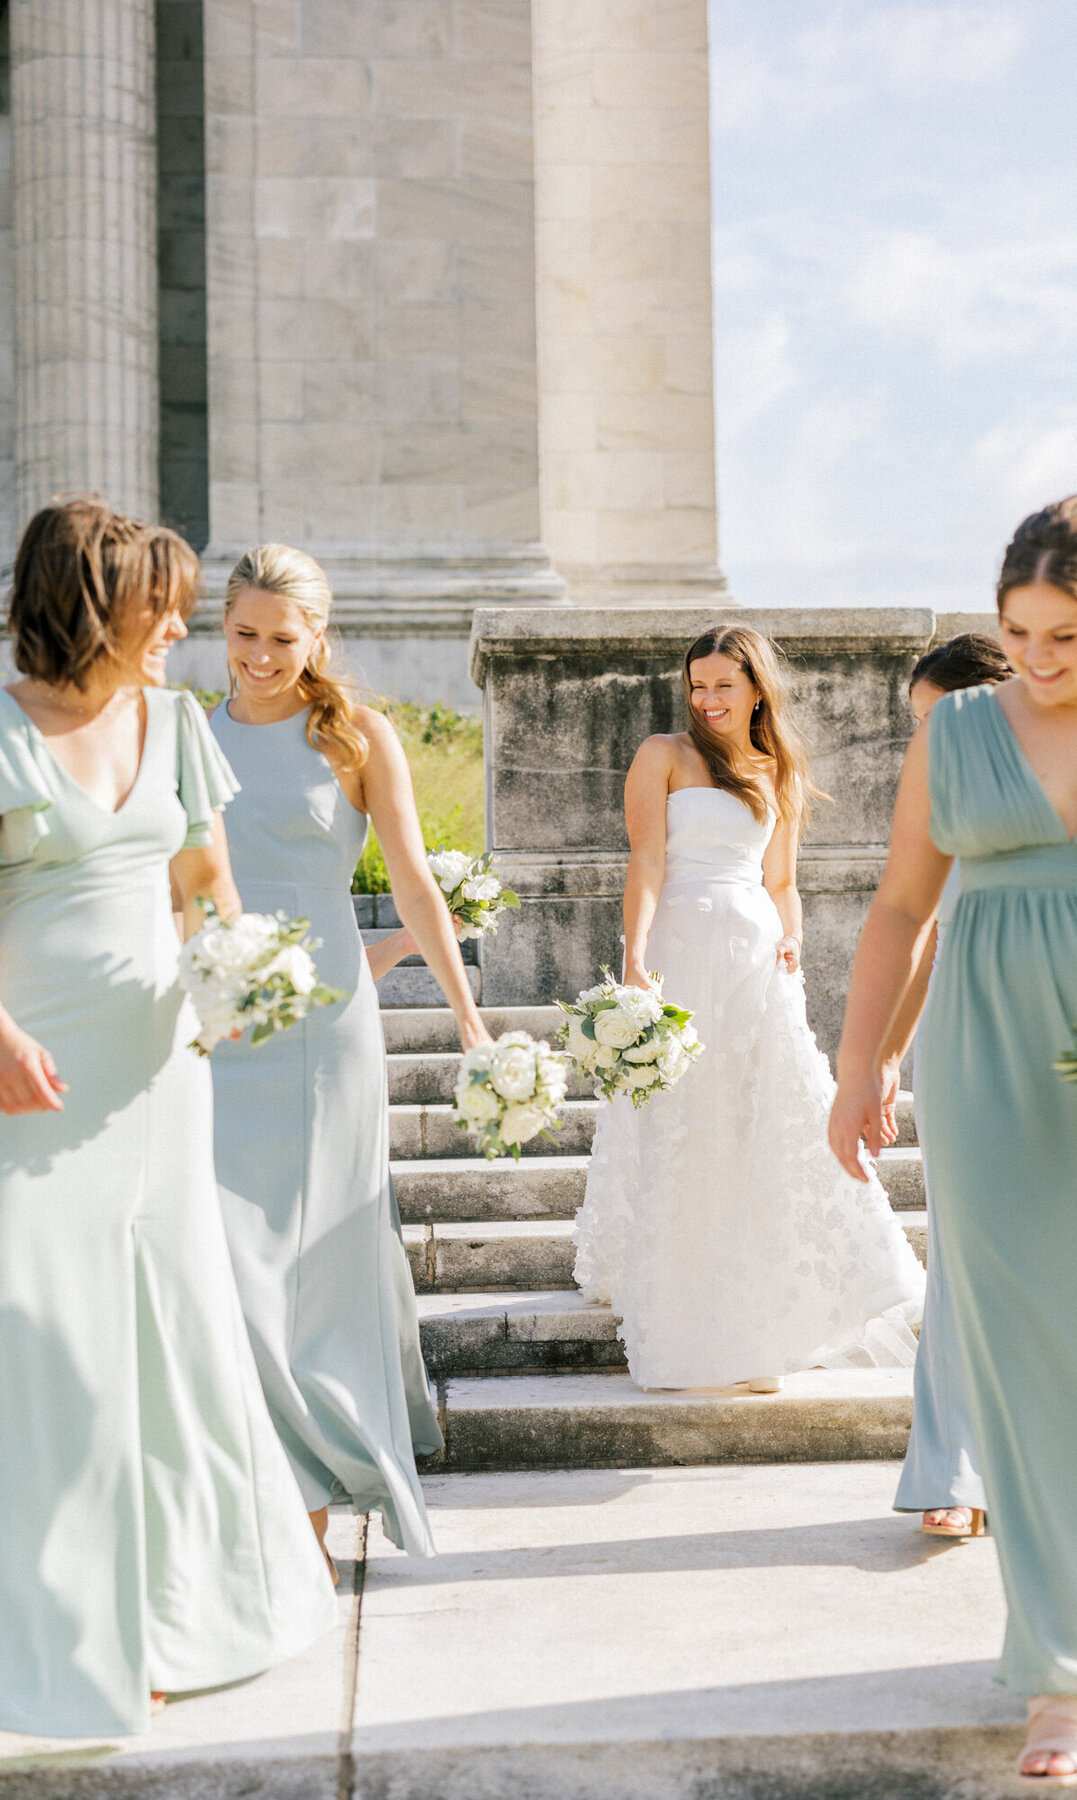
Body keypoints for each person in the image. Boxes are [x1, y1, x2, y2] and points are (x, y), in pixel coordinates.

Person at [830, 495, 1077, 1787]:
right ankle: (1060, 1673)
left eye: (1063, 637)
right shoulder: (964, 730)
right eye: (1017, 633)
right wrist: (856, 1063)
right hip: (989, 1065)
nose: (1035, 660)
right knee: (1028, 1352)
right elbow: (895, 909)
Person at [0, 499, 336, 1739]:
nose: (184, 628)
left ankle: (179, 1613)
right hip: (31, 1087)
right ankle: (71, 1633)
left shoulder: (179, 723)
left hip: (157, 1079)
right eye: (163, 604)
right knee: (52, 1346)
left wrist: (240, 978)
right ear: (94, 608)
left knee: (171, 1327)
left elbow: (205, 887)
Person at [208, 544, 490, 1575]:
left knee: (320, 1266)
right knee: (231, 1260)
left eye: (284, 638)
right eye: (245, 634)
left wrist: (468, 1017)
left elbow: (415, 884)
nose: (262, 656)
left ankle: (313, 1500)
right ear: (223, 630)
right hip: (223, 1031)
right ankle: (262, 1481)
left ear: (318, 636)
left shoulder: (357, 737)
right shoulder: (190, 740)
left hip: (329, 1033)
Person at [573, 623, 925, 1391]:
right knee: (687, 1116)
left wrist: (792, 938)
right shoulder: (662, 755)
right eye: (697, 685)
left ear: (756, 688)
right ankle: (682, 1294)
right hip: (684, 946)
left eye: (722, 686)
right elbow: (646, 859)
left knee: (762, 1114)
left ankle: (769, 1299)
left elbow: (782, 882)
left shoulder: (777, 769)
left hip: (757, 959)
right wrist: (635, 954)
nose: (707, 699)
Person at [886, 635, 1011, 1541]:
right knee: (961, 1260)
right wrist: (885, 1055)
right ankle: (951, 1468)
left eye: (935, 719)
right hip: (963, 1038)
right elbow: (916, 930)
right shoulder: (938, 797)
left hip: (1070, 1037)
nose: (923, 739)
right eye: (916, 724)